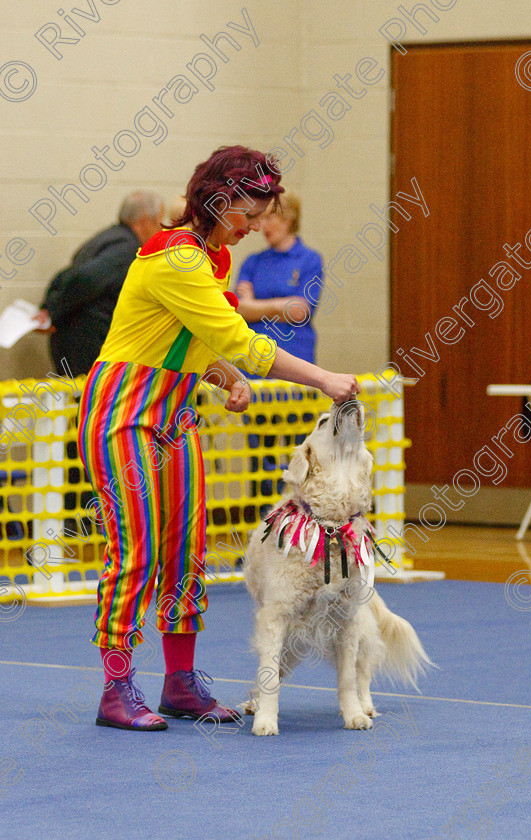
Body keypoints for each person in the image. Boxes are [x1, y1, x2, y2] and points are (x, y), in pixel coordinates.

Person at [76, 144, 360, 732]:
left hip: (175, 415)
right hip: (124, 415)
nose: (254, 227)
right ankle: (116, 687)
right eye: (249, 214)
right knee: (136, 550)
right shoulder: (175, 259)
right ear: (221, 200)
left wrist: (223, 376)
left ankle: (179, 682)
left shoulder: (214, 261)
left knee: (185, 549)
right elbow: (238, 339)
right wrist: (322, 379)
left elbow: (193, 342)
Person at [235, 190, 323, 506]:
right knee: (261, 453)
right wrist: (278, 305)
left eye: (269, 216)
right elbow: (238, 309)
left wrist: (257, 304)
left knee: (299, 451)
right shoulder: (253, 261)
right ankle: (262, 528)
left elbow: (301, 310)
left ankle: (298, 524)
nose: (263, 224)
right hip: (258, 370)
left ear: (288, 220)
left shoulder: (309, 260)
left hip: (297, 370)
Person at [34, 190, 165, 376]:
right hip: (87, 344)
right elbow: (86, 277)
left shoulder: (105, 238)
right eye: (159, 221)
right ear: (145, 220)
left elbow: (66, 275)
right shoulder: (126, 249)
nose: (161, 229)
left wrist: (49, 308)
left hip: (71, 342)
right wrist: (54, 313)